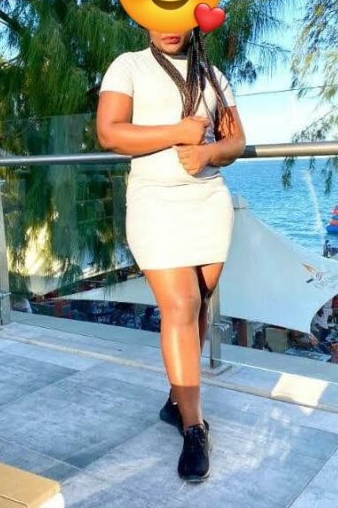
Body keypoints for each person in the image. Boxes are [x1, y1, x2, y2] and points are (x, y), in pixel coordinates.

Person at [97, 28, 246, 482]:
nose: (169, 25)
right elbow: (109, 133)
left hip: (209, 201)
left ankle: (176, 401)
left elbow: (237, 142)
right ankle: (195, 428)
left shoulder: (213, 75)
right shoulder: (129, 65)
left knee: (198, 306)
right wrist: (178, 132)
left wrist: (209, 152)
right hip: (154, 201)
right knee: (181, 304)